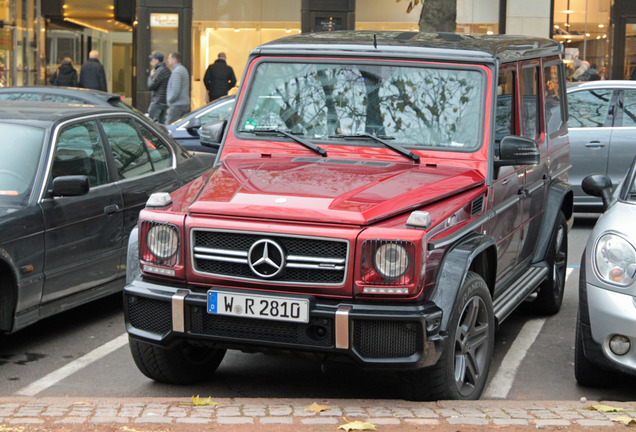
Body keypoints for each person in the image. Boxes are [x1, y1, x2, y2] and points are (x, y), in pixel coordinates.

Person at [165, 52, 190, 124]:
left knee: (170, 127)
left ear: (174, 59)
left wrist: (169, 101)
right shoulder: (183, 69)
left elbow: (176, 90)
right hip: (183, 103)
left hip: (177, 105)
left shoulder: (177, 71)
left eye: (169, 58)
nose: (168, 60)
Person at [147, 51, 171, 124]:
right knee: (162, 123)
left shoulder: (159, 71)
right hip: (164, 101)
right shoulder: (167, 70)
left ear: (157, 60)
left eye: (153, 60)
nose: (151, 61)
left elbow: (151, 86)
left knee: (150, 123)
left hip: (158, 101)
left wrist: (151, 76)